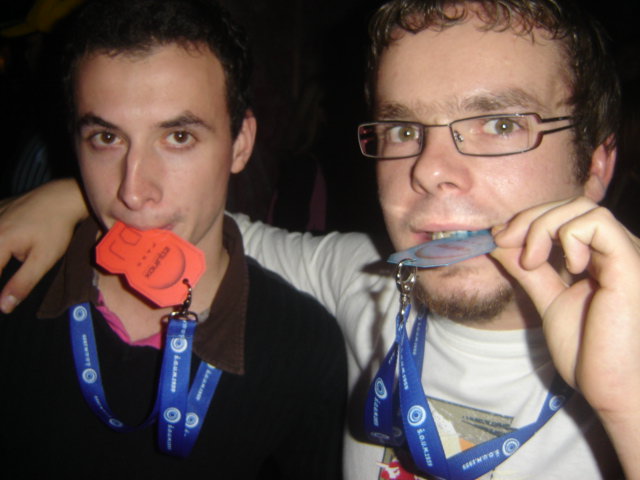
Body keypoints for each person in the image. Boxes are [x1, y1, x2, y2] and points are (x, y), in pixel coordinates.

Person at [1, 0, 639, 478]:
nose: (430, 169)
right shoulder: (368, 277)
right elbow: (209, 231)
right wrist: (75, 199)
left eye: (499, 123)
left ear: (596, 165)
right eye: (404, 129)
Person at [0, 0, 347, 478]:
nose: (133, 190)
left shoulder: (305, 349)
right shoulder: (12, 281)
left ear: (240, 144)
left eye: (178, 137)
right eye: (106, 138)